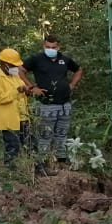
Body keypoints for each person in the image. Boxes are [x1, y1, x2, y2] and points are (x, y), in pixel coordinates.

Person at [22, 33, 82, 168]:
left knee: (62, 134)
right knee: (45, 135)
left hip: (64, 105)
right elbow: (20, 70)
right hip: (46, 105)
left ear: (58, 47)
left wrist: (71, 85)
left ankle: (61, 161)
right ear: (44, 46)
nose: (50, 49)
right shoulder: (37, 59)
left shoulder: (65, 60)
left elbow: (78, 70)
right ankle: (42, 162)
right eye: (48, 46)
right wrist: (31, 87)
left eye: (53, 47)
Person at [0, 48, 32, 166]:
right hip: (8, 119)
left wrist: (27, 91)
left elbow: (22, 87)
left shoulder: (14, 74)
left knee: (31, 143)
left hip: (22, 116)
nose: (15, 67)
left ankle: (38, 168)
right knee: (12, 146)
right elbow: (0, 98)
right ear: (4, 64)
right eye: (13, 65)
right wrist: (16, 91)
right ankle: (10, 173)